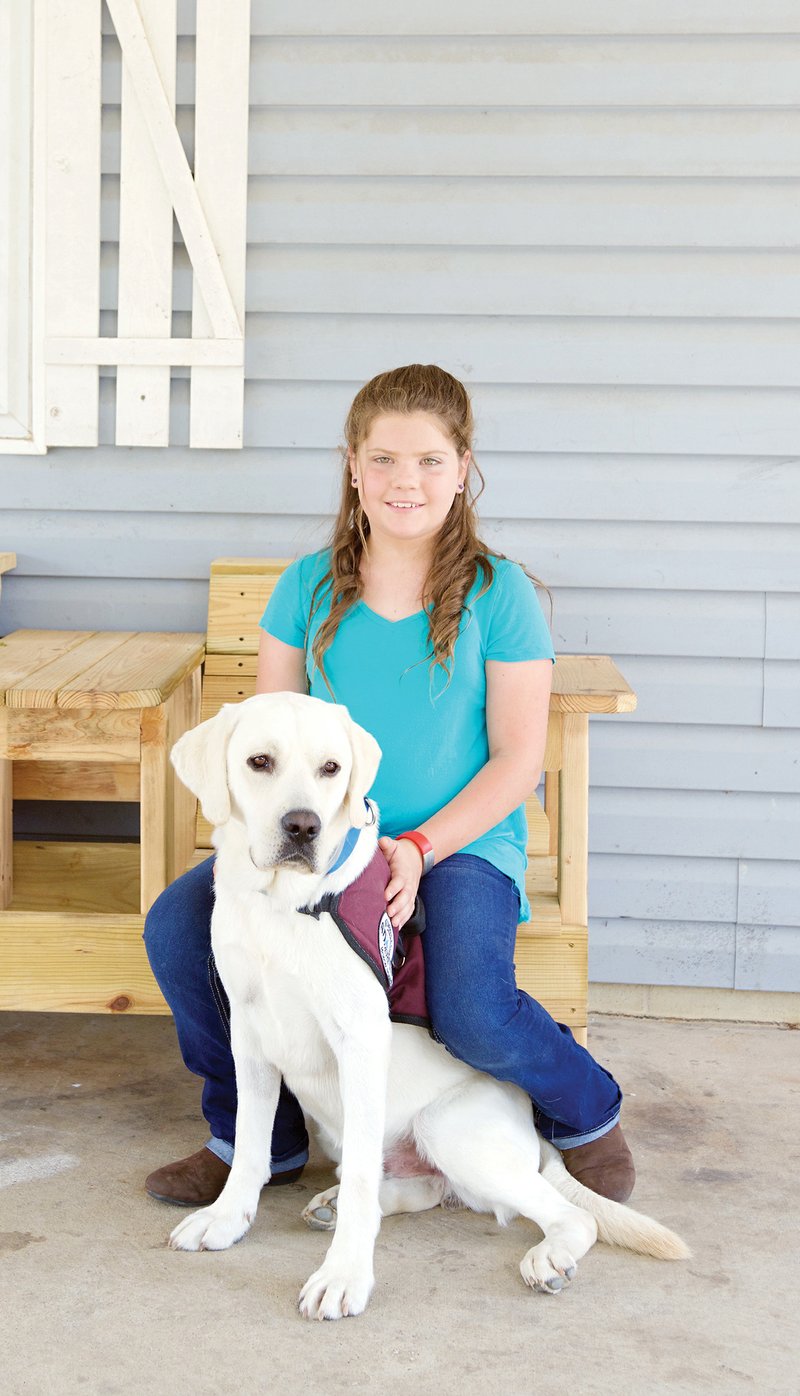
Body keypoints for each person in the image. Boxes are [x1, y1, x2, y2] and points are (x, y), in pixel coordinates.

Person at [143, 363, 635, 1209]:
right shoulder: (307, 585)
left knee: (472, 1009)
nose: (405, 482)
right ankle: (255, 1140)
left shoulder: (500, 594)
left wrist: (417, 846)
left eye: (429, 461)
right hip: (327, 839)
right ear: (352, 465)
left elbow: (519, 759)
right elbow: (271, 727)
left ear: (463, 466)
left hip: (460, 842)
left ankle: (587, 1116)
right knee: (180, 927)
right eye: (384, 460)